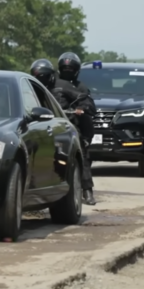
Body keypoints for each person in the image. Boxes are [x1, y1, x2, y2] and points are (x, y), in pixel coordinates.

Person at [56, 52, 98, 205]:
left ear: (76, 70)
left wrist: (81, 108)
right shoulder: (50, 85)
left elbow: (89, 105)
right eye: (65, 68)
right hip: (52, 124)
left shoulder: (79, 87)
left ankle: (87, 191)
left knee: (83, 154)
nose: (67, 71)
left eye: (71, 69)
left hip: (73, 124)